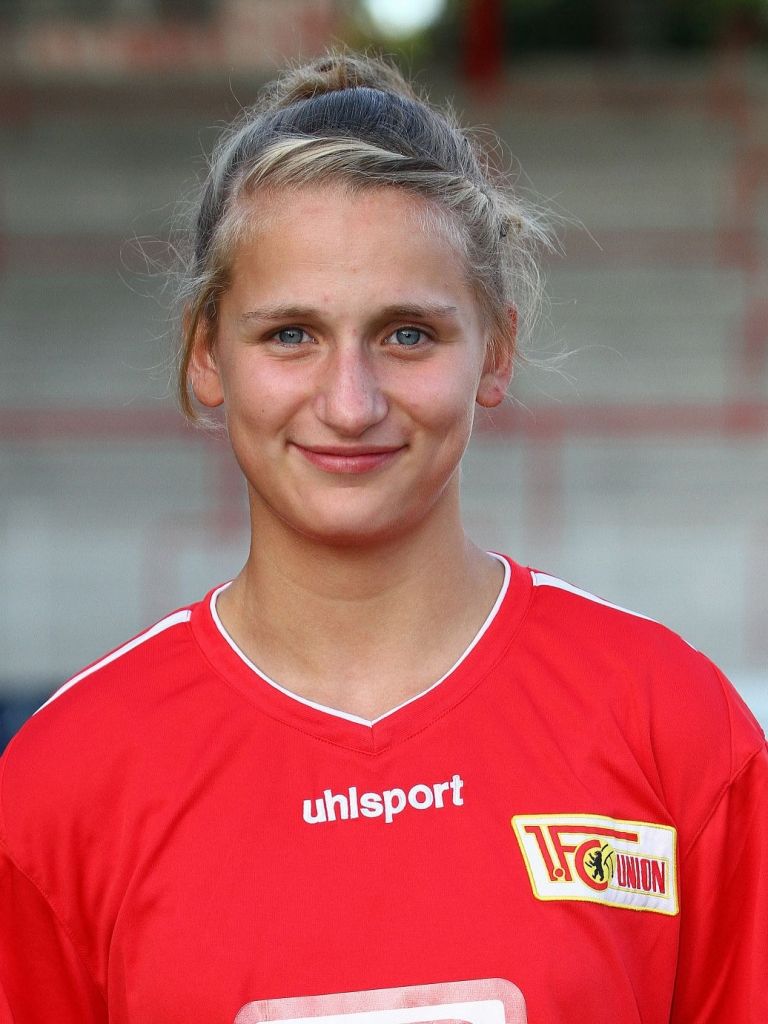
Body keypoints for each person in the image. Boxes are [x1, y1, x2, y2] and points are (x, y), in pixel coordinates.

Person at [0, 51, 766, 1024]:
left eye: (408, 334)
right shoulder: (63, 782)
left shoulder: (671, 725)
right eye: (291, 334)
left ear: (495, 349)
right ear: (206, 354)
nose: (350, 403)